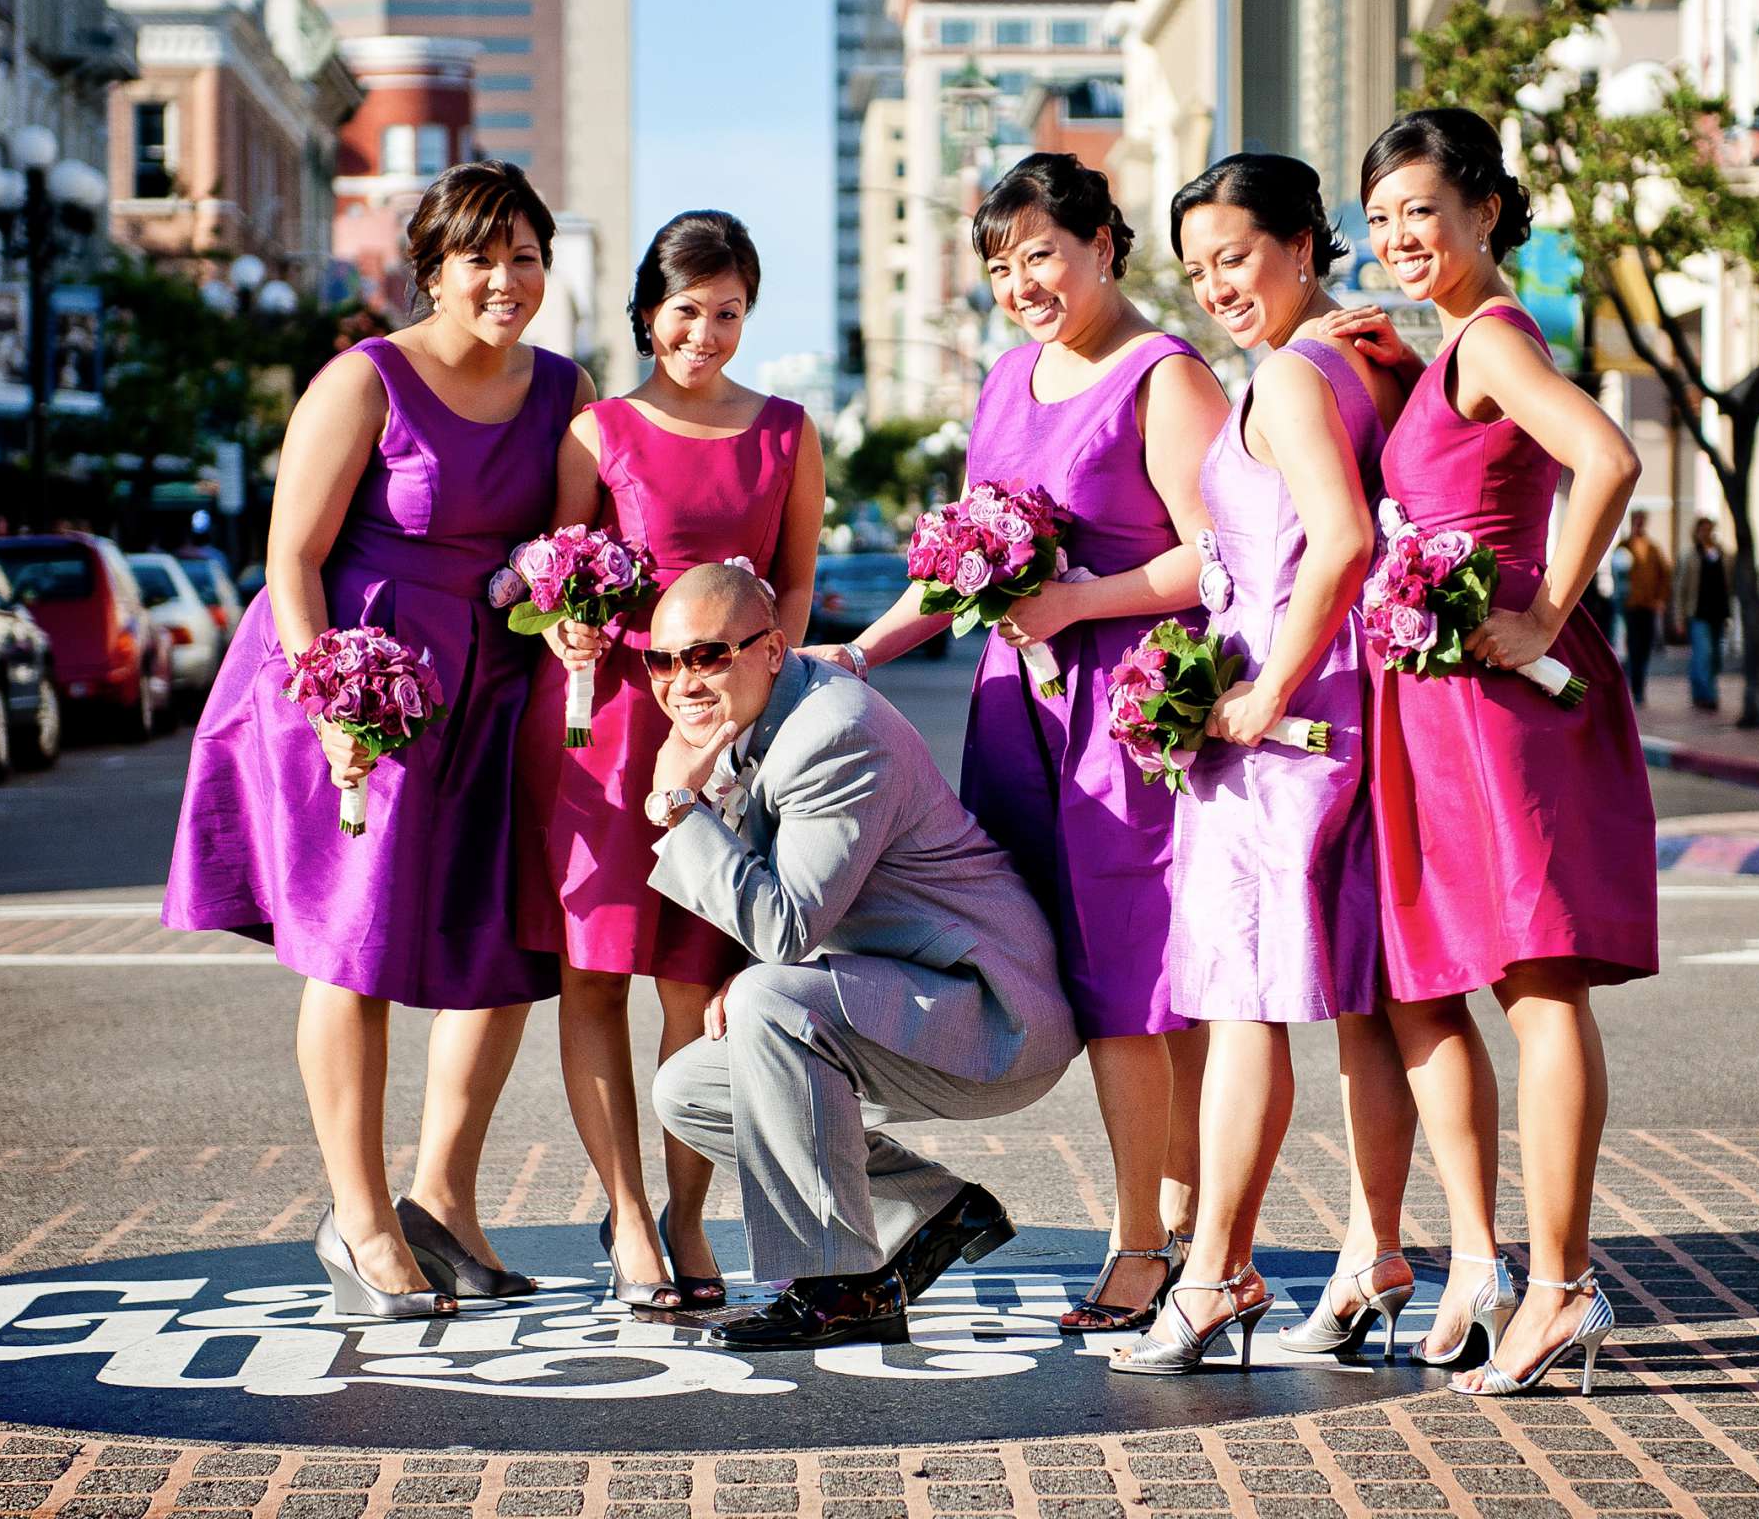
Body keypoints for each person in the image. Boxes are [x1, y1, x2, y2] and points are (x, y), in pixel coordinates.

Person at [163, 160, 587, 1316]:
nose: (505, 281)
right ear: (435, 270)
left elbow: (564, 556)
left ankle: (441, 1204)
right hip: (364, 676)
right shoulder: (366, 383)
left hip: (497, 684)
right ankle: (357, 1221)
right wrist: (333, 696)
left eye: (525, 257)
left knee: (501, 945)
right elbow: (291, 559)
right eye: (480, 260)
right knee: (354, 946)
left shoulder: (565, 390)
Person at [821, 154, 1230, 1336]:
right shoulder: (1008, 380)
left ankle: (1151, 1242)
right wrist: (861, 652)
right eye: (1000, 265)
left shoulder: (1165, 377)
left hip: (1125, 721)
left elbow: (1214, 557)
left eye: (1041, 253)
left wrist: (1076, 605)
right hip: (1018, 713)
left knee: (1134, 992)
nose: (1021, 282)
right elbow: (960, 569)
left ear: (1108, 241)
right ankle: (1190, 1234)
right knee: (1052, 970)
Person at [1359, 109, 1657, 1397]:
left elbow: (1607, 453)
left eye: (1421, 210)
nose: (1399, 238)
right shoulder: (1450, 349)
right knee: (1426, 984)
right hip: (1441, 706)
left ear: (1484, 209)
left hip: (1504, 698)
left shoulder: (1489, 339)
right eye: (1378, 220)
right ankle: (1496, 1267)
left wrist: (1542, 606)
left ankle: (1562, 1285)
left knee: (1537, 988)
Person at [1112, 154, 1403, 1377]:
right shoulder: (1348, 359)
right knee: (1360, 1012)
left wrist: (1263, 690)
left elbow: (1343, 538)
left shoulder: (1291, 374)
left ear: (1302, 243)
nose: (1215, 285)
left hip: (1284, 734)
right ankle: (1374, 1253)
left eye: (1236, 255)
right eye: (1195, 268)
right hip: (1321, 715)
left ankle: (1217, 1272)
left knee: (1244, 1009)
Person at [644, 564, 1079, 1349]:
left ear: (773, 650)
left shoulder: (833, 732)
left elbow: (784, 931)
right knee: (690, 1089)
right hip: (906, 992)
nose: (684, 682)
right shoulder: (755, 719)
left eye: (708, 655)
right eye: (663, 661)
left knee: (767, 1003)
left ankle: (840, 1288)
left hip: (989, 1013)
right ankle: (929, 1209)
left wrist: (679, 809)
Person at [514, 211, 825, 1311]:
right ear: (650, 309)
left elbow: (792, 589)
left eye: (730, 310)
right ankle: (632, 1219)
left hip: (727, 731)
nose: (707, 331)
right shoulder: (598, 431)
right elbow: (561, 573)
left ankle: (692, 1214)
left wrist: (748, 703)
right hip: (608, 731)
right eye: (688, 309)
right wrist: (567, 628)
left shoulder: (787, 429)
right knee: (596, 974)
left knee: (701, 986)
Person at [1674, 516, 1731, 711]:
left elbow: (1729, 583)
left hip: (1719, 613)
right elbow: (1680, 589)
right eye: (1703, 530)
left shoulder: (1722, 555)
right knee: (1703, 654)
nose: (1707, 534)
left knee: (1714, 657)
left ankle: (1699, 690)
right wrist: (1679, 617)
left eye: (1710, 529)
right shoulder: (1690, 556)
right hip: (1697, 613)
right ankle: (1709, 695)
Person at [1619, 513, 1669, 703]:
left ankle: (1640, 685)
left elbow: (1665, 575)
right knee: (1633, 647)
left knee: (1645, 647)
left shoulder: (1653, 549)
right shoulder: (1624, 547)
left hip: (1648, 606)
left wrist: (1661, 599)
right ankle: (1636, 687)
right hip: (1631, 605)